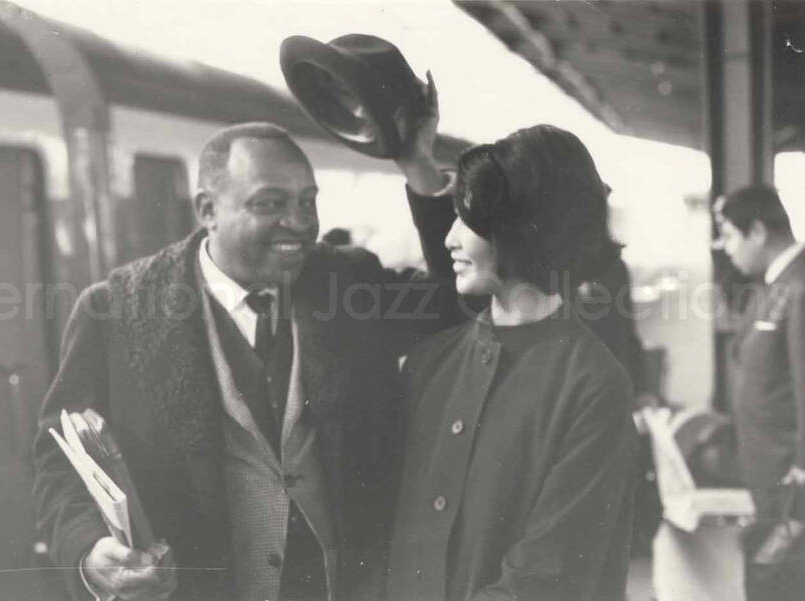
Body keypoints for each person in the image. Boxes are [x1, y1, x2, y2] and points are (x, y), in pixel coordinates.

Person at [33, 80, 465, 601]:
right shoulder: (115, 312)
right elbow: (61, 455)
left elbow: (455, 300)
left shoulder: (347, 283)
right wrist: (87, 550)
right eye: (271, 203)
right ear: (207, 209)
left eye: (308, 202)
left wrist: (418, 163)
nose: (300, 223)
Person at [386, 126, 637, 601]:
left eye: (467, 219)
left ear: (524, 226)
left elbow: (550, 575)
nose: (449, 238)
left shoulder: (593, 383)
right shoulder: (427, 362)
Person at [714, 184, 805, 601]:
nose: (724, 247)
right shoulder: (771, 286)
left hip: (791, 481)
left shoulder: (800, 286)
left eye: (729, 235)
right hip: (768, 476)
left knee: (775, 580)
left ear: (757, 231)